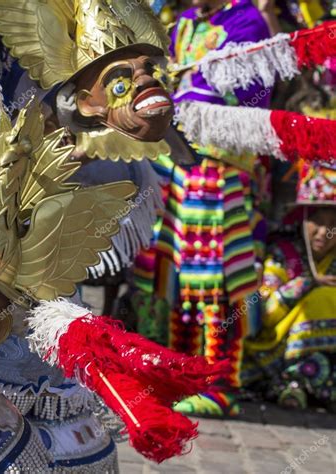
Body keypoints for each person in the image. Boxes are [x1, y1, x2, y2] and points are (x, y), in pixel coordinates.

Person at [133, 0, 277, 417]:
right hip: (176, 163)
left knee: (215, 279)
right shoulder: (184, 24)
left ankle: (220, 383)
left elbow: (254, 90)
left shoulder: (246, 21)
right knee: (174, 275)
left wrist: (185, 99)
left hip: (219, 166)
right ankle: (183, 374)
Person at [243, 163, 336, 410]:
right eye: (317, 222)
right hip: (278, 349)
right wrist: (307, 284)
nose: (324, 232)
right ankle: (295, 382)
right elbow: (266, 313)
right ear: (303, 220)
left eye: (332, 225)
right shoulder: (282, 255)